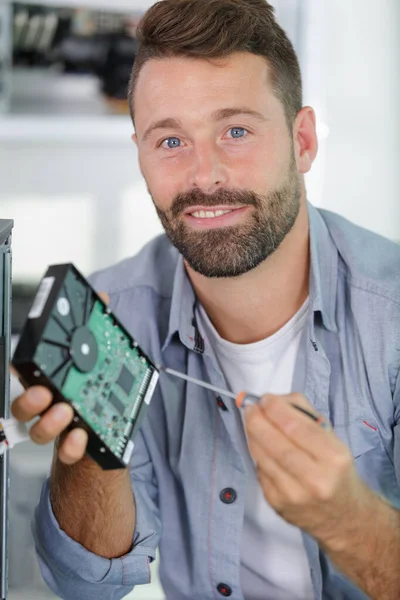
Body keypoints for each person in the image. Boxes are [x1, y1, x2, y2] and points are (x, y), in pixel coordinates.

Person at [11, 1, 400, 599]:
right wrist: (90, 453)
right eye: (170, 140)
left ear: (302, 141)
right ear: (139, 152)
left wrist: (347, 519)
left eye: (236, 131)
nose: (205, 175)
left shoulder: (391, 314)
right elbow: (87, 587)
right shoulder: (117, 312)